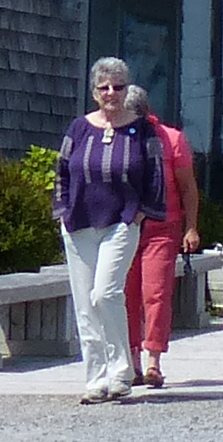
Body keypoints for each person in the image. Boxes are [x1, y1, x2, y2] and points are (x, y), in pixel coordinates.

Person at [53, 56, 166, 402]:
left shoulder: (142, 129)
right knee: (85, 304)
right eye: (104, 87)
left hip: (121, 221)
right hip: (79, 223)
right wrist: (62, 210)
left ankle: (121, 371)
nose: (111, 93)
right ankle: (96, 379)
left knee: (105, 293)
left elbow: (156, 176)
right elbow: (62, 172)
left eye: (118, 87)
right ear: (94, 92)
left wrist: (140, 213)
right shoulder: (79, 128)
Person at [122, 80, 199, 392]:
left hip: (161, 227)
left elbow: (187, 188)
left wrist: (191, 227)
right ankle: (132, 361)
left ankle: (153, 359)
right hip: (123, 227)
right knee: (124, 296)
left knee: (155, 294)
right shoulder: (113, 138)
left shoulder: (171, 139)